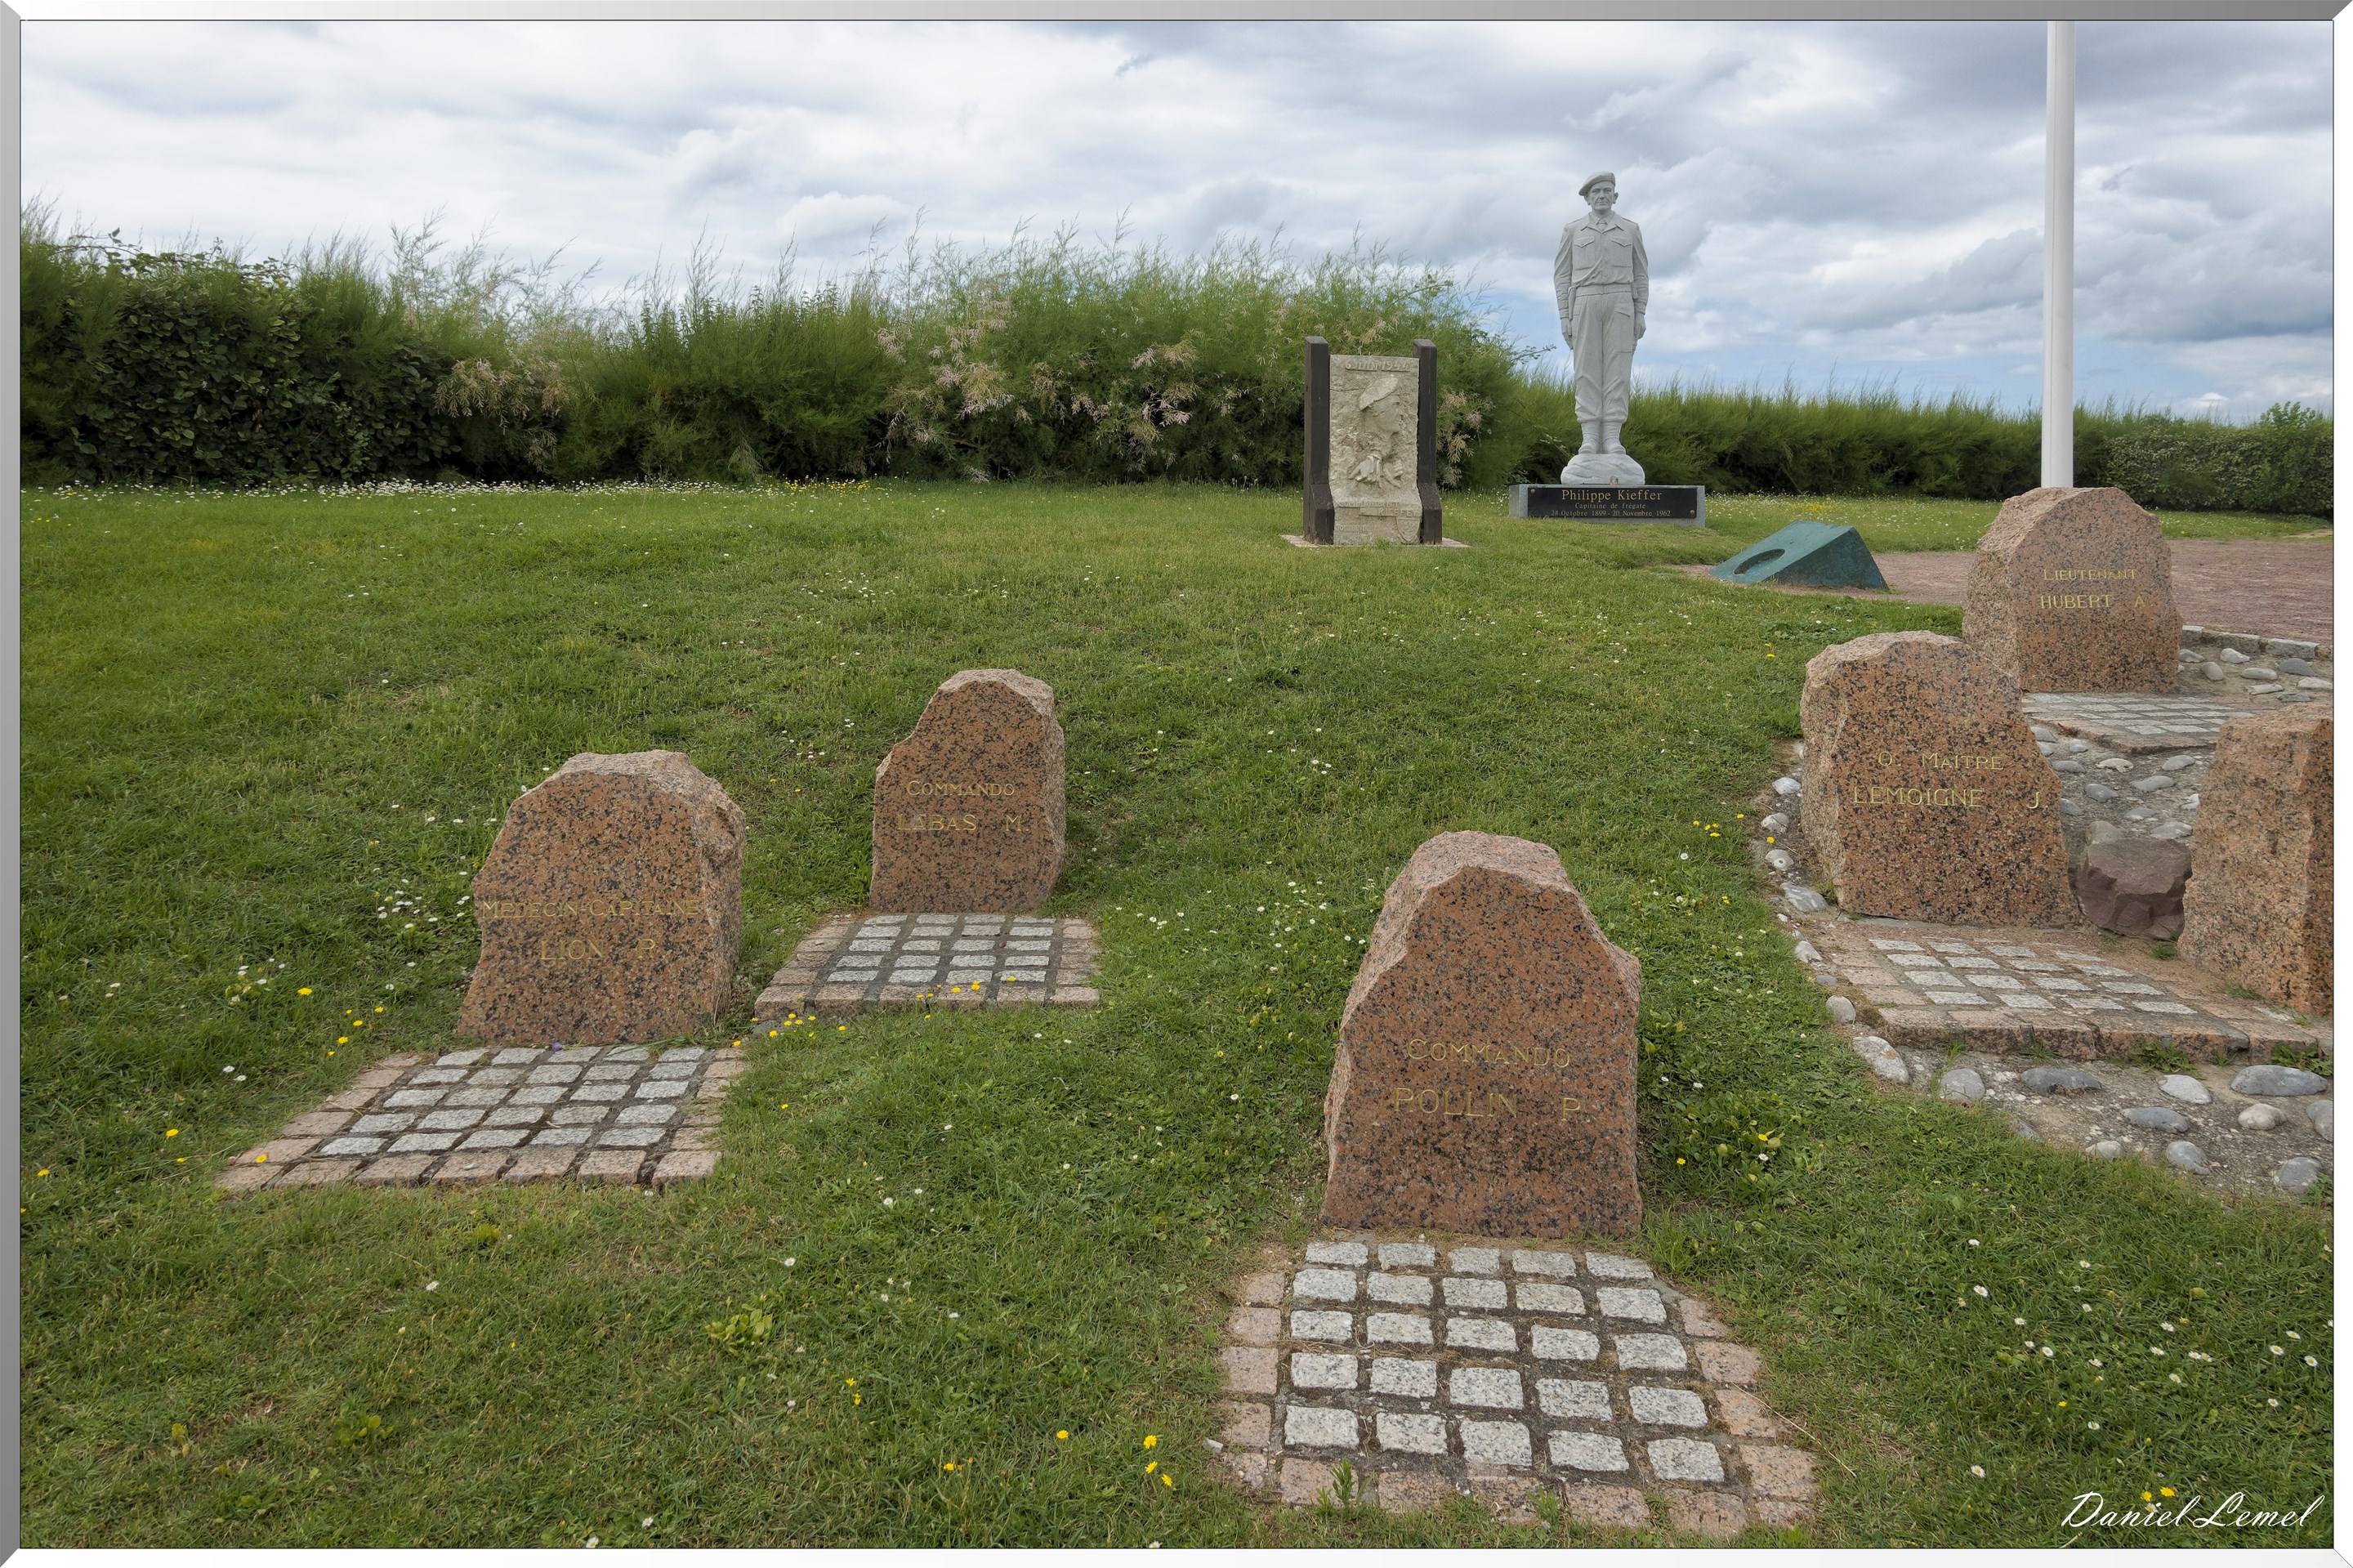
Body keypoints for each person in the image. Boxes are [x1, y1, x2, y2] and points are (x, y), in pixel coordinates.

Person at [1552, 172, 1648, 467]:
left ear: (1615, 196)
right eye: (1597, 191)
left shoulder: (1630, 230)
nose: (1602, 195)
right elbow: (1562, 275)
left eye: (1608, 190)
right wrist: (1565, 316)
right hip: (1585, 300)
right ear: (1587, 197)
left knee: (1618, 370)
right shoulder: (1573, 230)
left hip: (1621, 301)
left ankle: (1612, 437)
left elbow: (1641, 273)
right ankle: (1590, 437)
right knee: (1587, 368)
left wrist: (1641, 311)